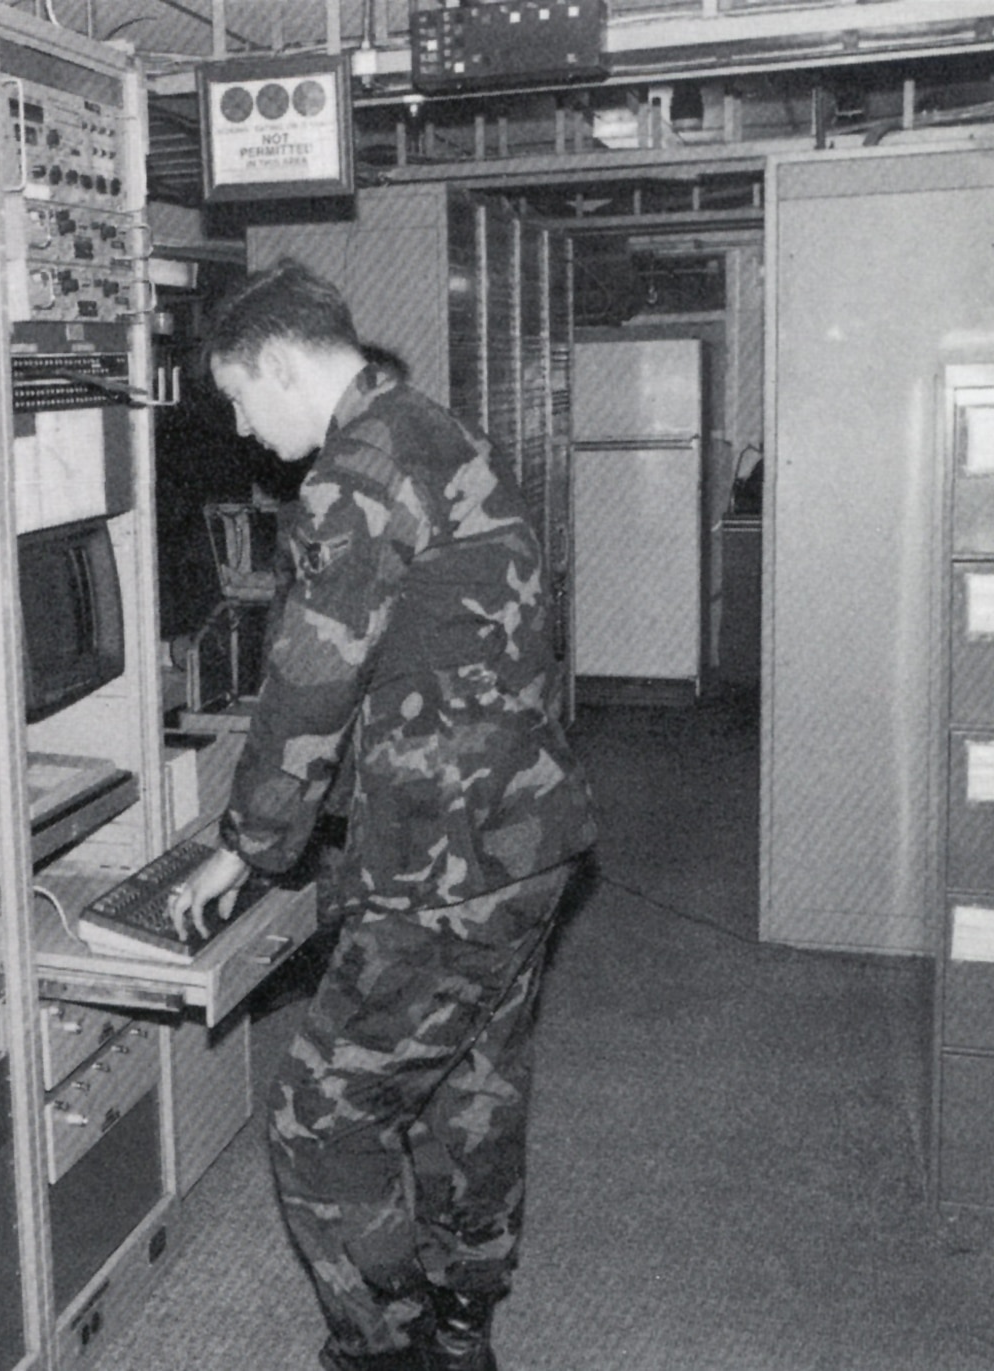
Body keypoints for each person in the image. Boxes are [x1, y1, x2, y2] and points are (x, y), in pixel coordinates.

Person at [167, 260, 595, 1371]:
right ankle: (461, 1326)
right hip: (524, 837)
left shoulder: (353, 472)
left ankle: (387, 1346)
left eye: (239, 401)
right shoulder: (432, 428)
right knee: (470, 1088)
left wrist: (246, 851)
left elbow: (309, 681)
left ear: (274, 364)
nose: (247, 433)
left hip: (442, 863)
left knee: (319, 1120)